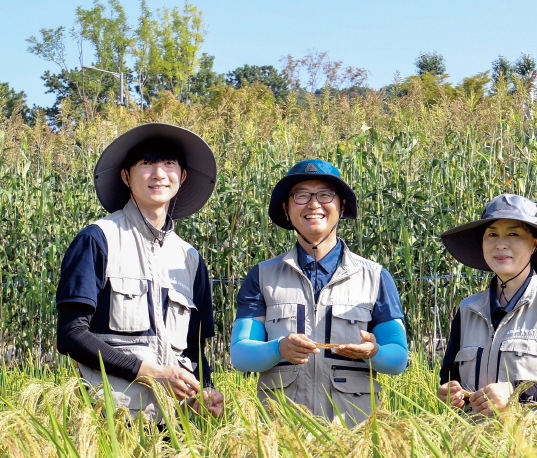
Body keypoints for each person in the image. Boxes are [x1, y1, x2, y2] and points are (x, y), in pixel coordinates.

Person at [56, 122, 223, 420]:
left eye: (169, 163)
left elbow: (196, 350)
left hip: (174, 422)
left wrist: (206, 390)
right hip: (110, 418)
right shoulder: (98, 239)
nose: (159, 174)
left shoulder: (191, 259)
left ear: (182, 177)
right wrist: (148, 373)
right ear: (126, 176)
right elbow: (71, 334)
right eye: (146, 163)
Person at [230, 159, 408, 427]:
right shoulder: (262, 276)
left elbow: (398, 358)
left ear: (342, 206)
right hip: (282, 433)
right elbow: (241, 354)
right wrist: (280, 348)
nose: (314, 204)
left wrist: (373, 352)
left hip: (352, 432)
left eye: (325, 194)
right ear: (286, 209)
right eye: (301, 196)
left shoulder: (375, 277)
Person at [438, 194, 537, 417]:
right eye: (492, 234)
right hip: (471, 443)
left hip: (534, 444)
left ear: (534, 243)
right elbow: (450, 377)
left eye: (513, 234)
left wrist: (515, 391)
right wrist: (449, 392)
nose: (501, 244)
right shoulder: (467, 309)